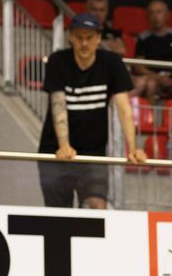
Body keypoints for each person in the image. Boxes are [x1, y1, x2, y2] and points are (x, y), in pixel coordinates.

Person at [37, 13, 147, 208]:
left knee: (96, 206)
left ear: (98, 39)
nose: (84, 43)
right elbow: (58, 105)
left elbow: (124, 109)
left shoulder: (112, 63)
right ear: (71, 37)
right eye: (79, 37)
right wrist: (64, 145)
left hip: (93, 153)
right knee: (57, 216)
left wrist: (133, 148)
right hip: (55, 152)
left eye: (89, 38)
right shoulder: (57, 61)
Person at [132, 0, 172, 102]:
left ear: (167, 15)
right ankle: (150, 117)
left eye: (159, 12)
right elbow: (138, 67)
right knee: (150, 85)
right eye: (152, 13)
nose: (155, 16)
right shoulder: (143, 38)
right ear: (147, 17)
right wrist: (158, 78)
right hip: (153, 78)